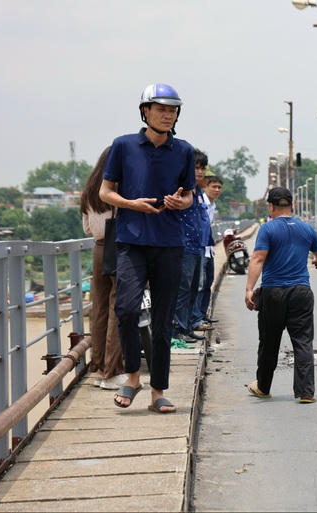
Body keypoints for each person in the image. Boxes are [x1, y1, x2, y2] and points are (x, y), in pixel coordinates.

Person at [99, 83, 195, 413]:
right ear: (145, 112)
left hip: (169, 242)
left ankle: (158, 391)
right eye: (162, 109)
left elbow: (189, 197)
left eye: (173, 110)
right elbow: (105, 192)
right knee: (126, 309)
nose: (168, 115)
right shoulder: (123, 146)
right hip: (130, 241)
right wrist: (130, 204)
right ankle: (132, 376)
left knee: (164, 319)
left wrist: (179, 202)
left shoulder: (183, 150)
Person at [244, 186, 317, 403]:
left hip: (274, 292)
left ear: (270, 206)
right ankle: (306, 392)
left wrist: (249, 289)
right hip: (301, 292)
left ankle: (263, 387)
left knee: (269, 341)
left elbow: (258, 259)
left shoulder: (268, 229)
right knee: (302, 341)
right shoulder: (306, 228)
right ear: (292, 206)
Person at [80, 147, 127, 390]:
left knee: (98, 309)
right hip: (120, 246)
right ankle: (112, 372)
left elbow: (87, 228)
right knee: (118, 308)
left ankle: (98, 367)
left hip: (98, 247)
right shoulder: (119, 188)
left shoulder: (89, 190)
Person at [172, 148, 211, 342]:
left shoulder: (198, 192)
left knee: (194, 288)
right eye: (196, 167)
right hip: (183, 245)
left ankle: (186, 327)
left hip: (197, 246)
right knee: (183, 288)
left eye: (202, 168)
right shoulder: (182, 190)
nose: (200, 172)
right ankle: (178, 328)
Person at [192, 173, 223, 331]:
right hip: (200, 248)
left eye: (219, 187)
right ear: (206, 187)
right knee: (199, 284)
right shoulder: (200, 201)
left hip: (209, 249)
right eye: (214, 187)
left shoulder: (212, 205)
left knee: (207, 282)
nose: (217, 190)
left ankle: (202, 314)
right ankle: (195, 319)